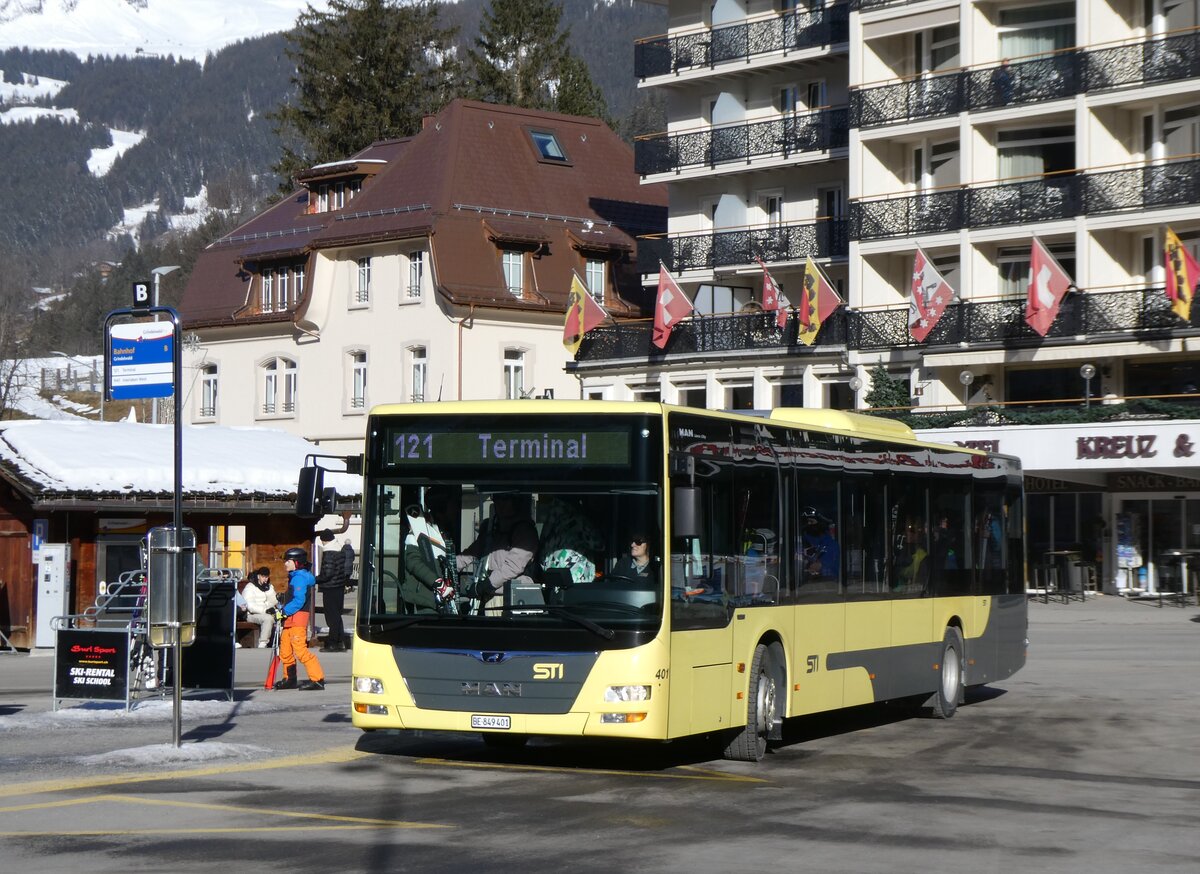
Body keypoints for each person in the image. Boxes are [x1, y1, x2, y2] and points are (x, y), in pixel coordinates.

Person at [457, 493, 539, 603]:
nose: (500, 504)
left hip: (512, 598)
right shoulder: (493, 528)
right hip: (490, 595)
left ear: (516, 501)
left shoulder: (525, 531)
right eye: (496, 499)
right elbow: (472, 553)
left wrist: (486, 585)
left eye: (505, 499)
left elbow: (513, 567)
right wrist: (451, 565)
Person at [275, 546, 325, 690]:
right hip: (290, 619)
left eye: (288, 561)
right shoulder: (295, 576)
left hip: (297, 618)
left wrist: (283, 612)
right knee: (285, 650)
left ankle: (317, 679)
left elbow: (298, 601)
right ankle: (290, 679)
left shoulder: (300, 578)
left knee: (300, 650)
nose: (285, 563)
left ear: (296, 562)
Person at [403, 504, 457, 614]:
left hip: (437, 600)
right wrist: (438, 583)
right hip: (423, 599)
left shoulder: (438, 538)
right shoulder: (413, 537)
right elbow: (414, 563)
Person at [315, 530, 354, 652]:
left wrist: (316, 579)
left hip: (330, 587)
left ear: (324, 540)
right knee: (337, 616)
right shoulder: (340, 550)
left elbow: (328, 572)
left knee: (331, 617)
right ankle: (340, 641)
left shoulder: (329, 552)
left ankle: (333, 643)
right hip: (339, 587)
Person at [240, 566, 277, 647]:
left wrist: (268, 591)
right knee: (268, 618)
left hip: (266, 612)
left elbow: (274, 601)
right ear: (258, 576)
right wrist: (265, 610)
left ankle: (278, 642)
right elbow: (250, 605)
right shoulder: (250, 587)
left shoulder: (269, 587)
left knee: (281, 617)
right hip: (251, 614)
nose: (265, 579)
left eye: (266, 577)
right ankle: (263, 643)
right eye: (263, 576)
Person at [801, 508, 840, 579]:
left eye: (811, 521)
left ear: (821, 523)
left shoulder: (831, 545)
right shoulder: (805, 541)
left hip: (827, 585)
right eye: (807, 522)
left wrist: (820, 565)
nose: (808, 524)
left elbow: (830, 568)